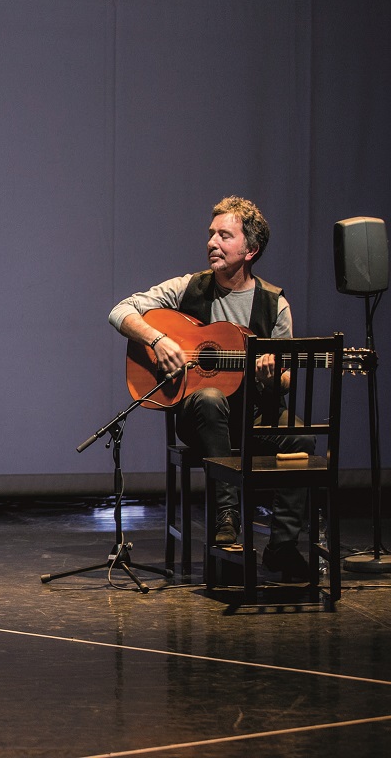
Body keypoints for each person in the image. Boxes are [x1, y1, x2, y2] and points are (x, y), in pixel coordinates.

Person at [108, 195, 313, 580]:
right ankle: (226, 517)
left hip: (252, 415)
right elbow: (119, 311)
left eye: (224, 235)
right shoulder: (188, 288)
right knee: (210, 396)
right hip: (199, 416)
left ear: (250, 249)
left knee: (301, 439)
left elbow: (286, 377)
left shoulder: (274, 305)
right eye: (211, 234)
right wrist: (157, 340)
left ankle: (282, 548)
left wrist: (273, 377)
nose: (212, 242)